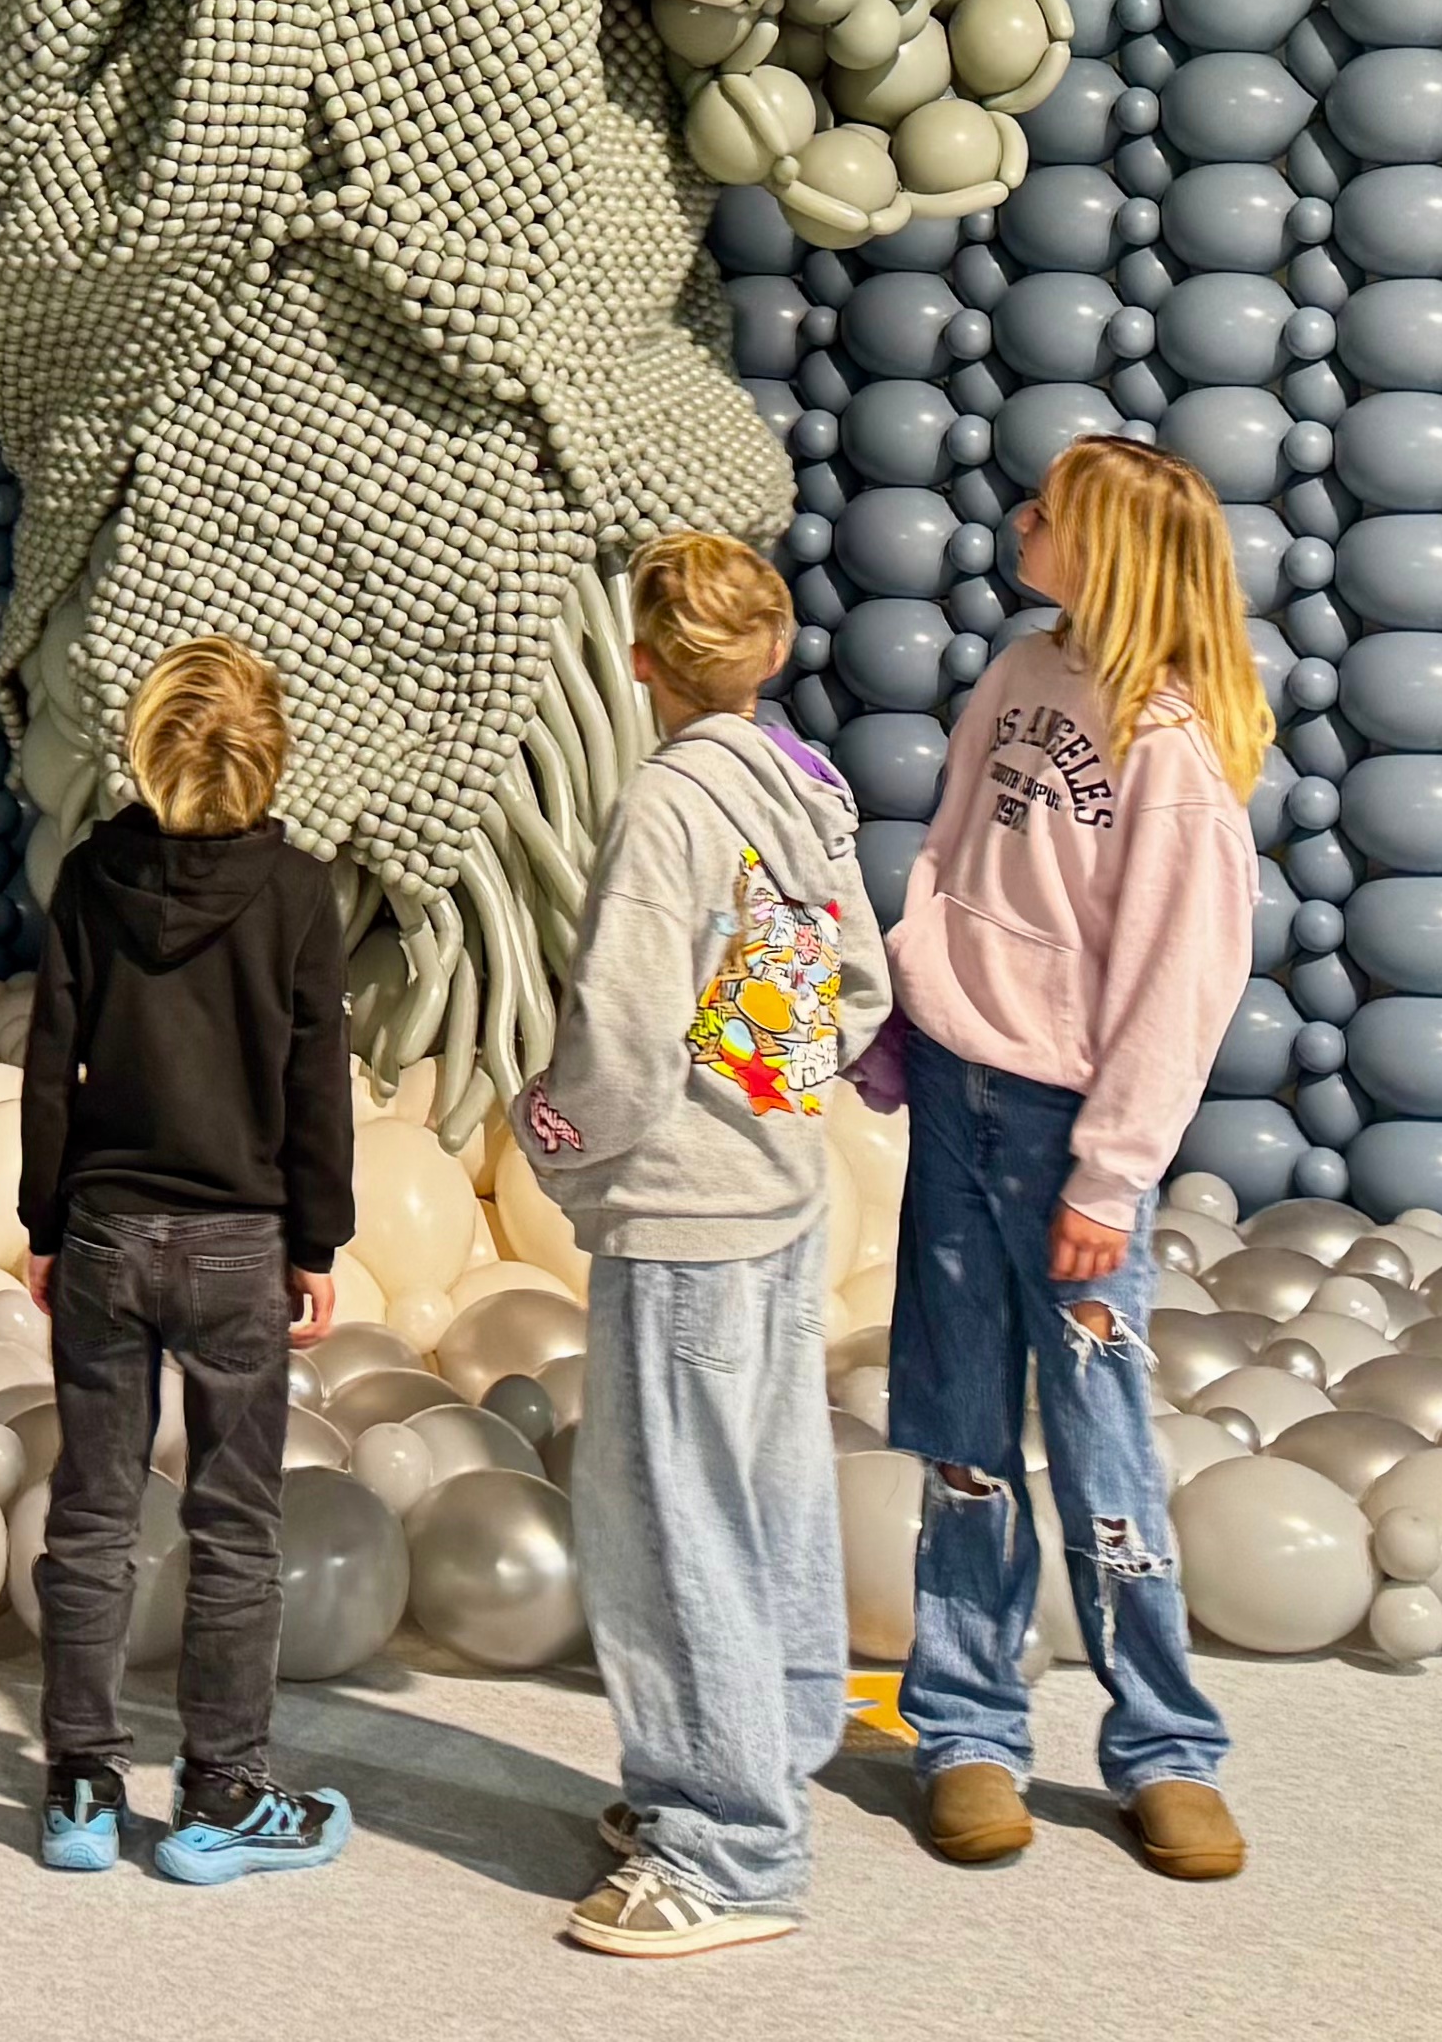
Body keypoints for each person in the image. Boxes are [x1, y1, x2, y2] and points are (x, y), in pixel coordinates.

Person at [881, 433, 1269, 1880]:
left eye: (1049, 513)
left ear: (1104, 549)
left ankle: (1164, 1740)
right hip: (954, 1091)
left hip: (1068, 1133)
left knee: (1101, 1448)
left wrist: (1108, 1179)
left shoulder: (1168, 749)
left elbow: (1178, 983)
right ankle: (968, 1727)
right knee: (959, 1427)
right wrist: (908, 996)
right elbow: (950, 853)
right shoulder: (1017, 675)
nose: (1021, 520)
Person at [519, 532, 894, 1961]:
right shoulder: (802, 781)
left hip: (680, 1215)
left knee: (669, 1518)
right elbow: (857, 985)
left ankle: (728, 1840)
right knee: (769, 1490)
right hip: (777, 1194)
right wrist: (762, 1081)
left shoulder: (667, 805)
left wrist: (550, 1132)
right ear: (772, 651)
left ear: (635, 661)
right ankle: (761, 1748)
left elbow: (618, 1036)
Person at [18, 634, 356, 1885]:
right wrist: (316, 1239)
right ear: (269, 752)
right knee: (233, 1523)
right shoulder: (299, 891)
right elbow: (313, 1083)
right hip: (236, 1244)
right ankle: (219, 1792)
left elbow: (50, 1064)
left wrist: (46, 1222)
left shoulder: (90, 873)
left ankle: (80, 1785)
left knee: (94, 1512)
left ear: (143, 745)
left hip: (105, 1232)